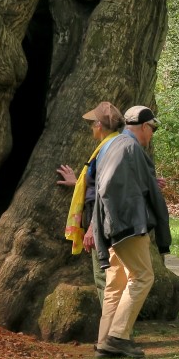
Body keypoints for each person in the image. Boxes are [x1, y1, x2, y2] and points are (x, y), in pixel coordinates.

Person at [92, 105, 172, 359]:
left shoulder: (110, 145)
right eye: (153, 130)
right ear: (145, 127)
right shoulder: (131, 147)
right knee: (142, 277)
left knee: (116, 283)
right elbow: (122, 190)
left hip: (110, 225)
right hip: (127, 225)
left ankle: (104, 341)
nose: (152, 135)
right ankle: (118, 337)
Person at [60, 102, 123, 298]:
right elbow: (100, 184)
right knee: (111, 277)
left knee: (104, 280)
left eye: (92, 123)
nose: (90, 128)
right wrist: (78, 183)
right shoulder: (114, 145)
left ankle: (112, 328)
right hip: (109, 222)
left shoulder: (107, 150)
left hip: (102, 224)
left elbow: (106, 192)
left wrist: (91, 229)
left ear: (98, 125)